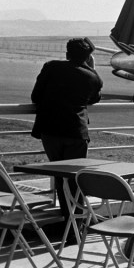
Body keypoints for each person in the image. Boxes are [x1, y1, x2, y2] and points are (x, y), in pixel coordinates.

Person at [30, 37, 103, 223]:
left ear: (67, 53)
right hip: (75, 132)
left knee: (60, 176)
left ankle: (68, 221)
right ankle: (74, 224)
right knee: (75, 180)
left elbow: (35, 96)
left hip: (50, 131)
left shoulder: (51, 67)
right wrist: (91, 68)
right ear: (87, 58)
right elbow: (93, 99)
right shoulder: (93, 77)